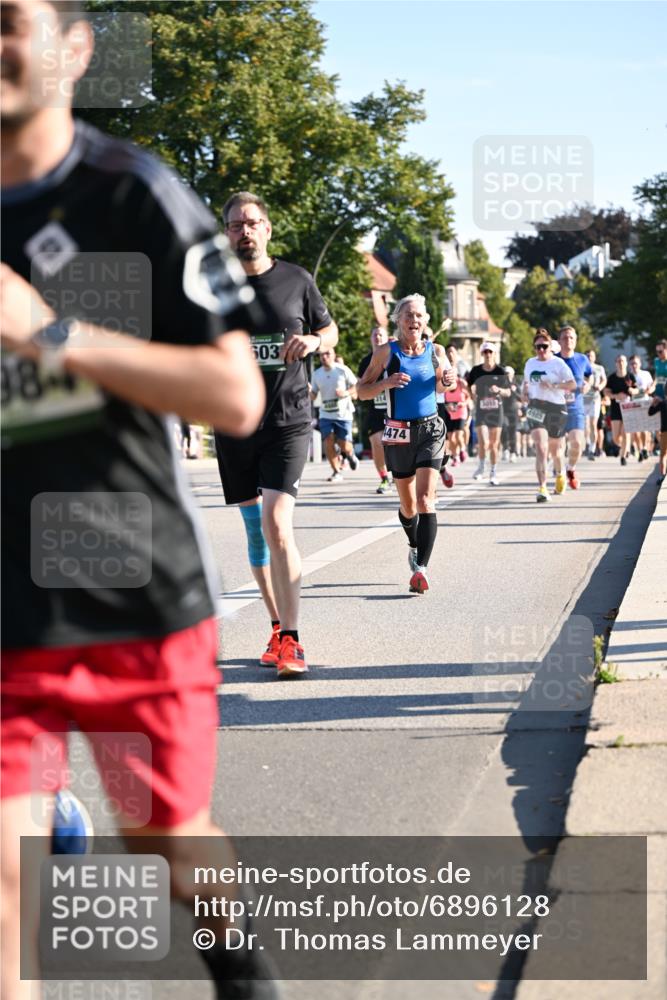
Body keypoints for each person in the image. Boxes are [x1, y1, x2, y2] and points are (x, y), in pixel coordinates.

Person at [0, 4, 278, 999]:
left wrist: (51, 334)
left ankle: (243, 978)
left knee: (158, 831)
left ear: (75, 49)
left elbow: (236, 395)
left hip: (129, 588)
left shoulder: (134, 196)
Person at [214, 191, 338, 678]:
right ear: (226, 235)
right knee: (255, 533)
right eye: (235, 225)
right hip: (233, 421)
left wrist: (312, 339)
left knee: (277, 521)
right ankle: (275, 625)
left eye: (252, 222)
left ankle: (292, 638)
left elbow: (330, 332)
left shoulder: (296, 280)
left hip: (288, 419)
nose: (244, 231)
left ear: (267, 229)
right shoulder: (212, 287)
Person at [357, 294, 455, 593]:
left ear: (426, 321)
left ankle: (421, 570)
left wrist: (448, 379)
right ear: (398, 321)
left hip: (430, 430)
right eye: (408, 316)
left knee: (426, 500)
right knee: (408, 505)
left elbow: (442, 384)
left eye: (419, 316)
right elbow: (361, 391)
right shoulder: (386, 353)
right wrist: (385, 383)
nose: (414, 321)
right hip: (398, 433)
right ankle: (413, 543)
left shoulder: (436, 350)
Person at [521, 330, 576, 502]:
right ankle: (542, 487)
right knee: (541, 447)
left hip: (556, 408)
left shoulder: (558, 364)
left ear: (550, 347)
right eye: (538, 347)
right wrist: (524, 392)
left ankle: (560, 474)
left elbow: (572, 384)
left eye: (544, 346)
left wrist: (554, 384)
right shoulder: (530, 363)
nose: (541, 350)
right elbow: (526, 382)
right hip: (536, 406)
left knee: (556, 450)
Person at [310, 347, 358, 481]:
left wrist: (346, 393)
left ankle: (350, 453)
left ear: (333, 355)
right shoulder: (317, 374)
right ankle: (336, 471)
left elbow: (357, 385)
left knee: (343, 444)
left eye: (327, 354)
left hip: (344, 414)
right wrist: (309, 391)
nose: (324, 357)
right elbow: (313, 396)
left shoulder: (343, 370)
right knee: (328, 440)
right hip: (325, 413)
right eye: (321, 355)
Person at [466, 342, 511, 486]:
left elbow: (508, 391)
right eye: (485, 352)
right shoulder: (476, 370)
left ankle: (493, 471)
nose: (488, 355)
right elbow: (468, 385)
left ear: (495, 353)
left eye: (490, 352)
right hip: (481, 410)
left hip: (496, 411)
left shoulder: (500, 371)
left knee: (494, 444)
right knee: (483, 442)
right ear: (482, 354)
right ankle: (481, 467)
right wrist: (471, 394)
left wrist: (499, 390)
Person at [557, 326, 593, 490]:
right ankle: (560, 474)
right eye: (564, 337)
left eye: (571, 337)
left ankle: (571, 468)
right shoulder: (553, 360)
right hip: (556, 409)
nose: (568, 340)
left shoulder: (582, 359)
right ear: (559, 341)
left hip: (575, 408)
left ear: (576, 340)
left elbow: (590, 376)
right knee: (559, 446)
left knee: (577, 443)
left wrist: (588, 385)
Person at [358, 326, 393, 493]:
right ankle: (384, 478)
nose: (377, 337)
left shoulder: (395, 357)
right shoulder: (365, 362)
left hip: (395, 409)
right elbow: (360, 387)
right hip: (375, 410)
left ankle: (401, 474)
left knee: (396, 446)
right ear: (371, 339)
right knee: (377, 442)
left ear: (386, 338)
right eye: (375, 334)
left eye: (381, 334)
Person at [606, 354, 638, 466]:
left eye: (623, 361)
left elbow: (637, 390)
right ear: (616, 363)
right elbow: (606, 392)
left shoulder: (630, 377)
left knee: (626, 433)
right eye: (619, 361)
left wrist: (631, 390)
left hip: (628, 409)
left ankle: (623, 456)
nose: (621, 363)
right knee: (615, 437)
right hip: (616, 409)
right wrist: (615, 396)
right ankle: (624, 447)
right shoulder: (612, 378)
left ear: (626, 363)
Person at [628, 354, 655, 461]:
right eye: (632, 364)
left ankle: (644, 448)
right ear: (629, 365)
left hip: (644, 403)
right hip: (633, 404)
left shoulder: (645, 374)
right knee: (635, 430)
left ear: (640, 364)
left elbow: (652, 386)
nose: (634, 365)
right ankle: (639, 450)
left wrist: (649, 390)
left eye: (636, 363)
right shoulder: (628, 376)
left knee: (645, 428)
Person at [582, 348, 607, 459]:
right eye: (587, 355)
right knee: (584, 425)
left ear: (594, 357)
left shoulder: (599, 368)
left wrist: (600, 386)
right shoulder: (580, 367)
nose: (589, 357)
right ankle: (586, 444)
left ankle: (592, 449)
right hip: (583, 399)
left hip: (594, 399)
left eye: (591, 355)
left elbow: (604, 380)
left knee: (593, 424)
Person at [501, 365, 521, 462]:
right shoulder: (501, 384)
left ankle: (513, 452)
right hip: (503, 410)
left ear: (512, 374)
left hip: (513, 410)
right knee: (504, 428)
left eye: (508, 374)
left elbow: (520, 397)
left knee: (513, 431)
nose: (507, 375)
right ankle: (505, 449)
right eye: (505, 373)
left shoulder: (516, 385)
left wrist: (514, 391)